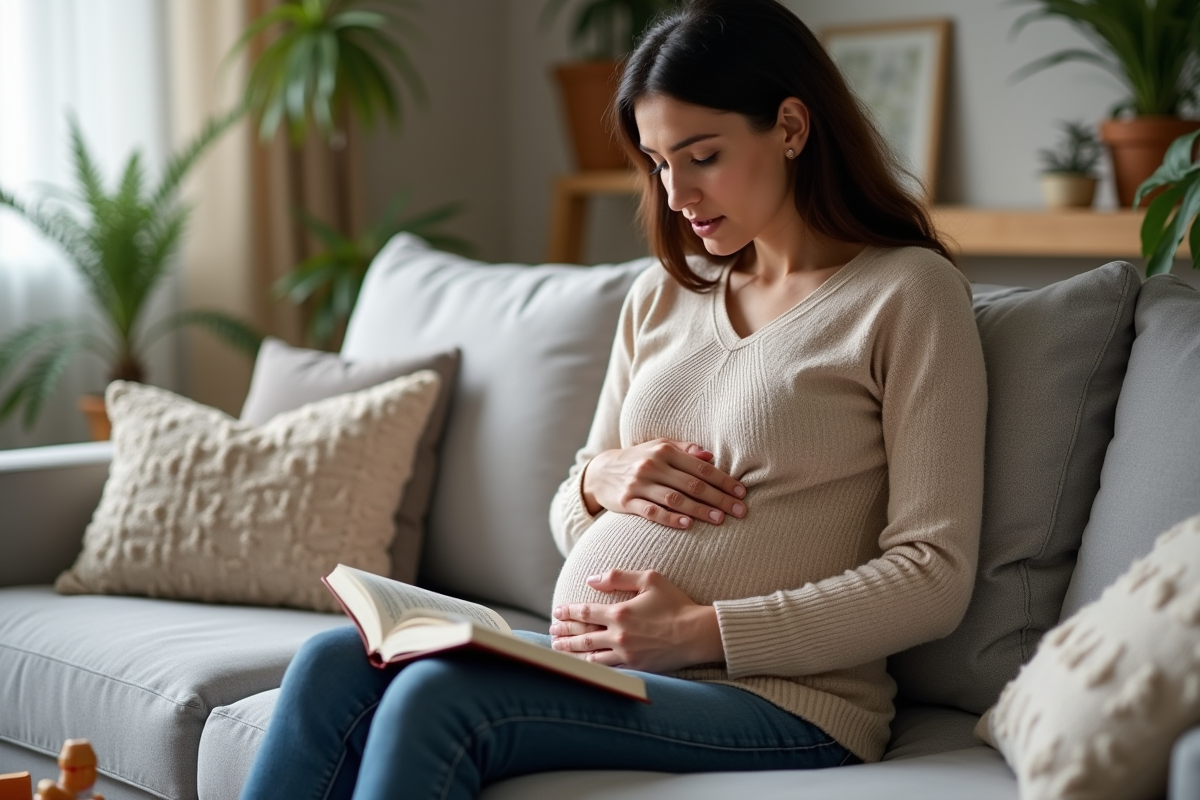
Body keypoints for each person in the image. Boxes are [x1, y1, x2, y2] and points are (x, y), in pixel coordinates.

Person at [238, 0, 987, 797]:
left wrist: (704, 632)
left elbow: (932, 575)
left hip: (779, 701)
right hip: (606, 667)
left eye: (703, 156)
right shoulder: (661, 296)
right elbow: (572, 504)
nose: (676, 195)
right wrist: (599, 482)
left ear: (792, 127)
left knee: (440, 698)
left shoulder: (906, 294)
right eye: (660, 163)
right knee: (331, 659)